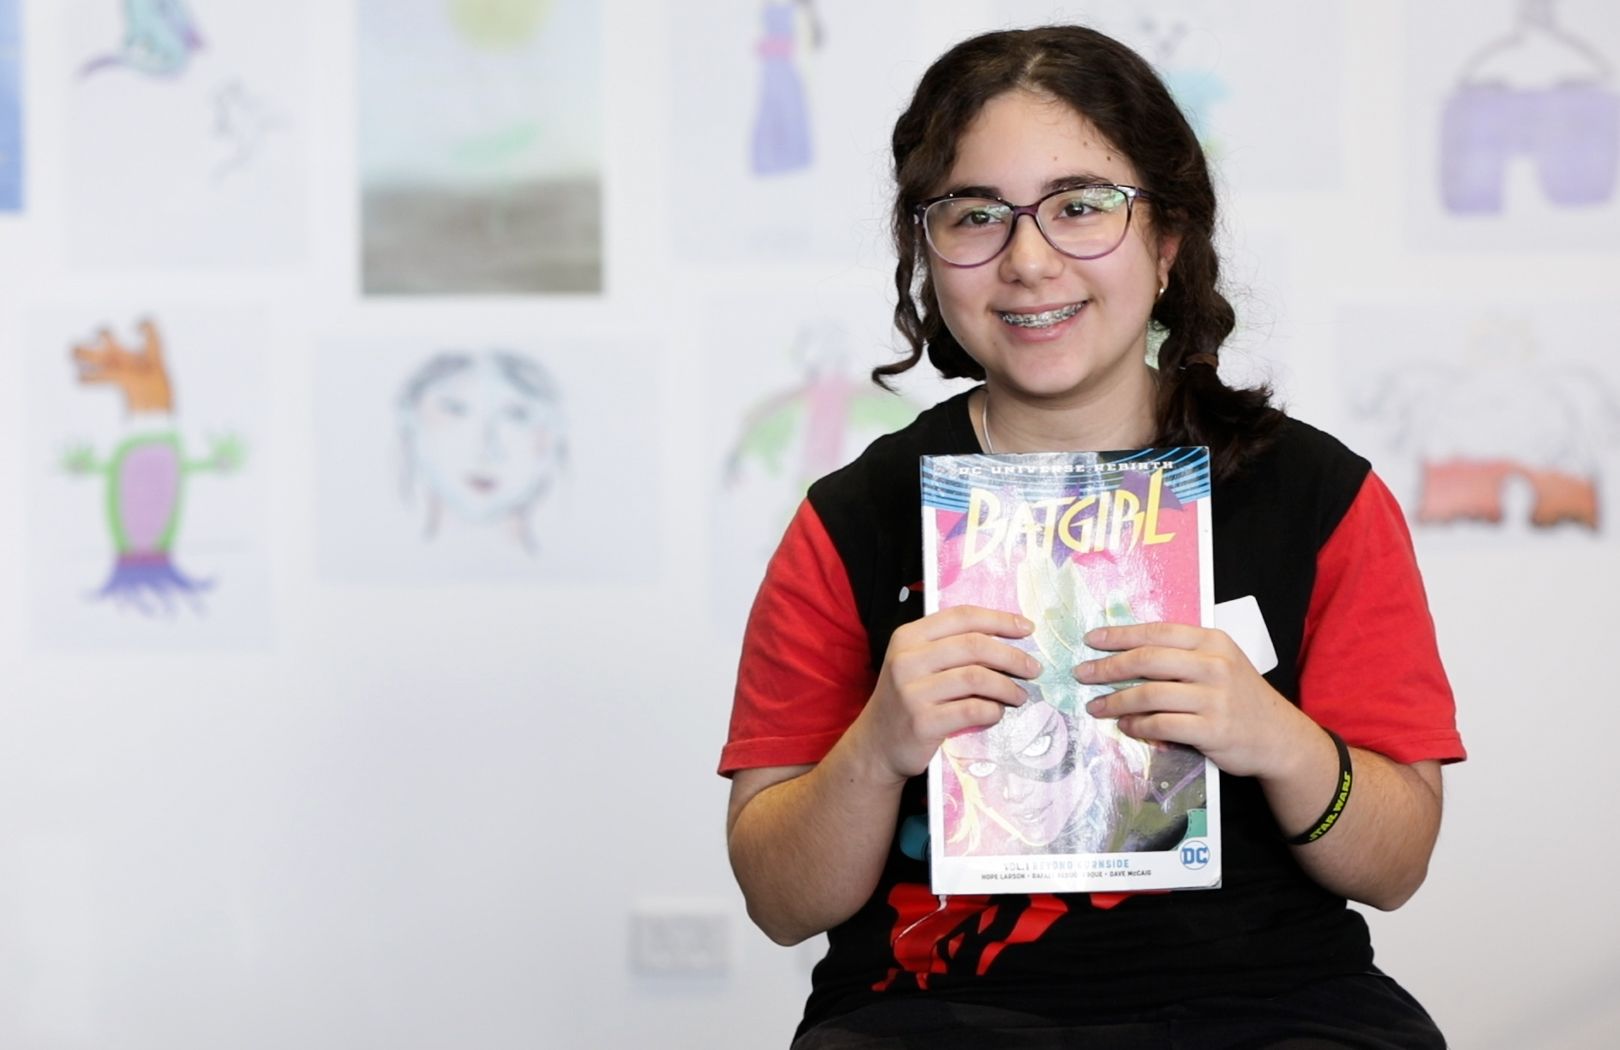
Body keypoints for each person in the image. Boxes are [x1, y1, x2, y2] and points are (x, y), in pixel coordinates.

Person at [719, 24, 1466, 1050]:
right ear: (928, 256)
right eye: (977, 216)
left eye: (1080, 207)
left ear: (1167, 242)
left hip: (1274, 1006)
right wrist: (877, 746)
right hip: (930, 1011)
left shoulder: (1317, 498)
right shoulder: (855, 520)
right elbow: (778, 899)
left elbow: (1395, 867)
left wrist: (1270, 734)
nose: (1029, 261)